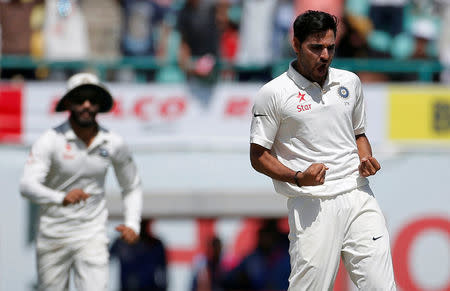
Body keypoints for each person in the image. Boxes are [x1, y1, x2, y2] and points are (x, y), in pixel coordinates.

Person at [249, 10, 396, 290]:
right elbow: (258, 156)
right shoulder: (273, 93)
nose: (325, 55)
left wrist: (365, 158)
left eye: (330, 47)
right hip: (312, 203)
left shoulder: (349, 82)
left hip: (358, 193)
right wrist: (296, 177)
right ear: (295, 45)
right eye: (315, 48)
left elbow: (358, 134)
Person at [20, 72, 143, 290]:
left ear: (100, 105)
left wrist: (133, 222)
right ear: (68, 103)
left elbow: (131, 185)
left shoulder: (113, 142)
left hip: (92, 233)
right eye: (79, 99)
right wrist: (61, 198)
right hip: (53, 236)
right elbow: (27, 186)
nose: (86, 105)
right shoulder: (50, 141)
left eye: (92, 100)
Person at [111, 219, 167, 291]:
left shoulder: (155, 243)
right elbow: (104, 259)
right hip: (127, 288)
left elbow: (163, 270)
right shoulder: (121, 242)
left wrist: (163, 287)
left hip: (149, 287)